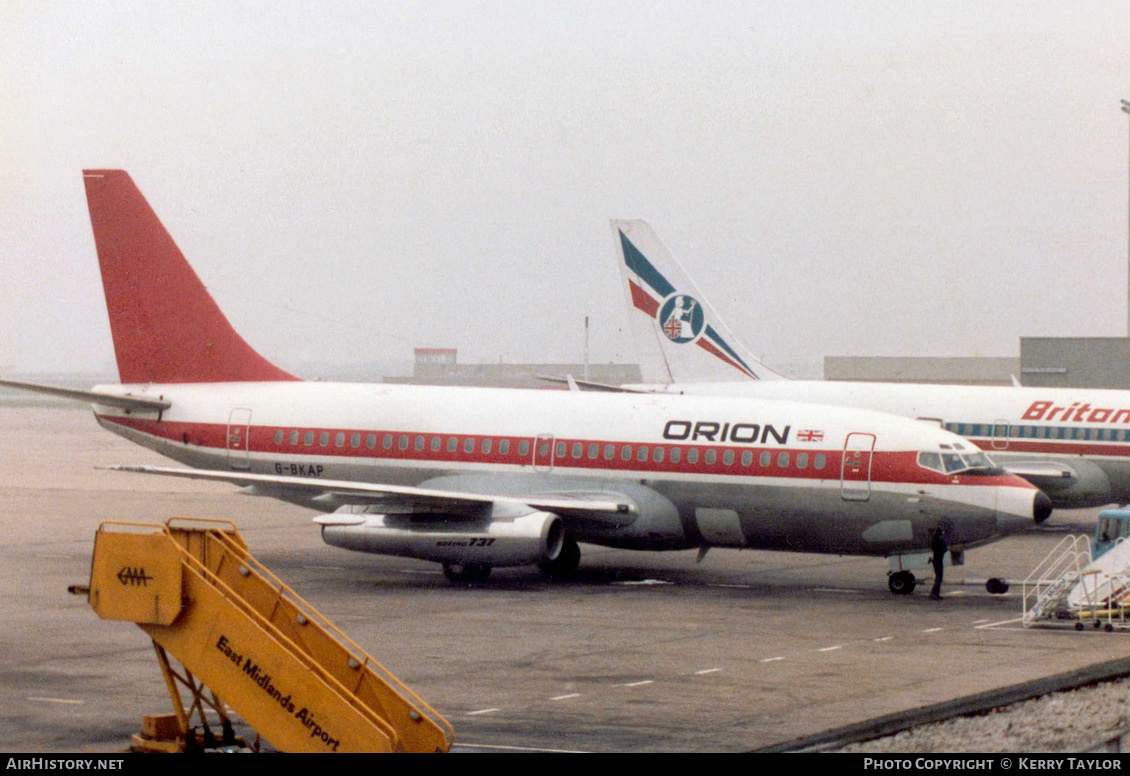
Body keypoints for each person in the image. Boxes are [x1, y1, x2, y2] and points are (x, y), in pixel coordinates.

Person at [929, 527, 947, 600]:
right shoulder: (939, 540)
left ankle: (935, 593)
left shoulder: (934, 540)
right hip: (938, 561)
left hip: (936, 560)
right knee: (939, 578)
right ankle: (934, 593)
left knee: (938, 577)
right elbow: (944, 548)